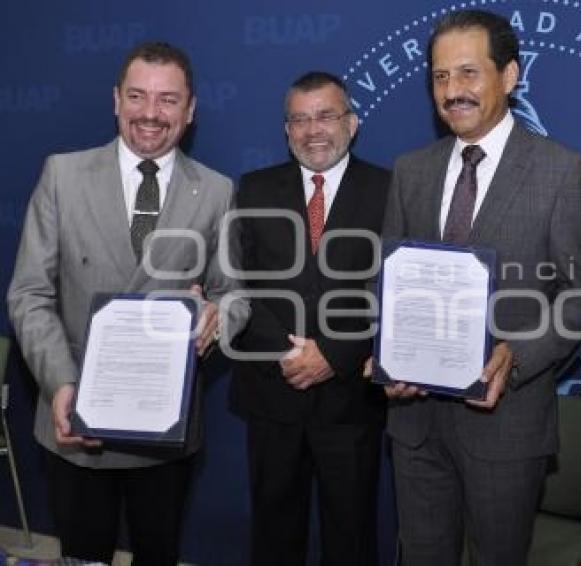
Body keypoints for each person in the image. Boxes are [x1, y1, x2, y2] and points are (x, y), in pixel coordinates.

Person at [6, 41, 248, 564]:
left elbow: (235, 295)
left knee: (158, 553)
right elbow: (29, 293)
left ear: (190, 110)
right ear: (116, 100)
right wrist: (61, 383)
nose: (150, 113)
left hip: (166, 428)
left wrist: (216, 320)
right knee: (83, 556)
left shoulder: (215, 190)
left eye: (167, 100)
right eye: (137, 96)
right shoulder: (62, 176)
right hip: (76, 421)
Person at [380, 10, 581, 565]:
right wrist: (384, 354)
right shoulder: (410, 170)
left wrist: (518, 357)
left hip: (506, 428)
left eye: (468, 73)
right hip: (414, 423)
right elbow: (388, 286)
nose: (452, 91)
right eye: (439, 77)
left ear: (509, 75)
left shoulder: (560, 170)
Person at [230, 71, 390, 565]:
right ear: (286, 130)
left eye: (325, 115)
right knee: (274, 535)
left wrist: (333, 353)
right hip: (270, 393)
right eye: (299, 119)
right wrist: (286, 350)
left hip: (350, 403)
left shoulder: (391, 190)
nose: (312, 129)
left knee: (351, 537)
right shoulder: (253, 189)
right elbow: (236, 285)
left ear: (352, 123)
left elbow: (393, 289)